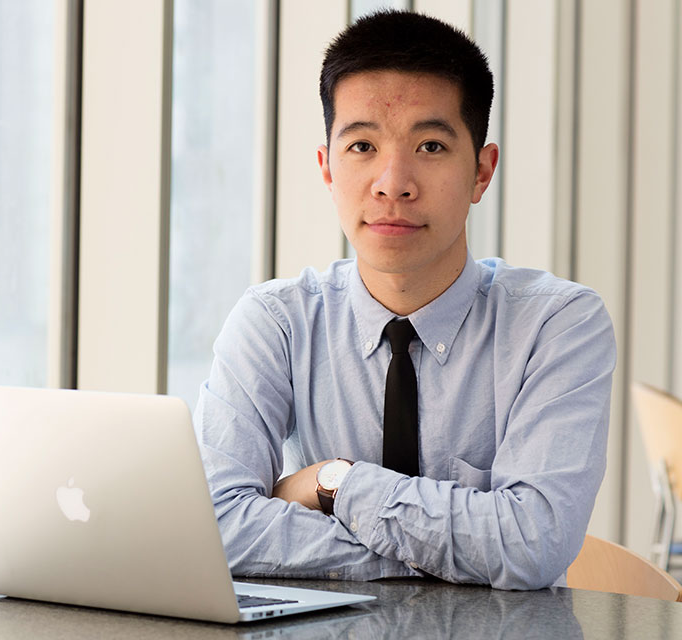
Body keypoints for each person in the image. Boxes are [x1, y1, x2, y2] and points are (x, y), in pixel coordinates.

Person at [193, 10, 616, 590]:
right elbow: (214, 526)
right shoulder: (277, 321)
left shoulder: (558, 324)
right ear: (327, 168)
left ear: (481, 172)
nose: (393, 181)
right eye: (362, 145)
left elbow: (531, 542)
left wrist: (336, 484)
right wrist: (450, 556)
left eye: (431, 145)